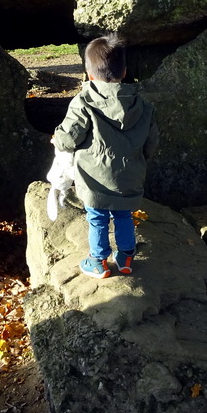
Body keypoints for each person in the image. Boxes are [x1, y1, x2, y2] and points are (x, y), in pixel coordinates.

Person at [52, 35, 158, 278]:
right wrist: (138, 161)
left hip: (94, 177)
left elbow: (69, 139)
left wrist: (57, 137)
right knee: (123, 214)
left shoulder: (84, 102)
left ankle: (98, 261)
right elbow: (151, 142)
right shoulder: (143, 106)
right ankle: (126, 257)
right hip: (129, 174)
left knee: (97, 217)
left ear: (89, 74)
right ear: (125, 72)